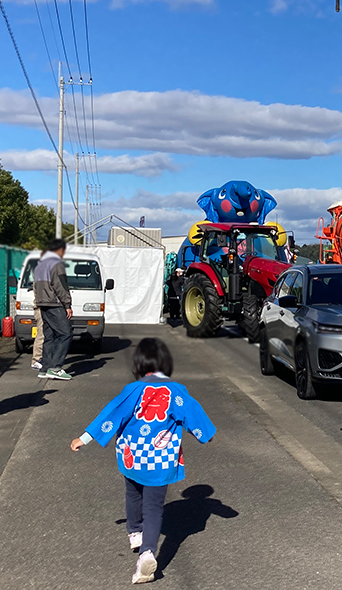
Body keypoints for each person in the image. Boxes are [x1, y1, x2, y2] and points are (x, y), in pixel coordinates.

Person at [70, 338, 216, 584]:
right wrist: (206, 435)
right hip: (161, 460)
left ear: (139, 364)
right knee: (154, 508)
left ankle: (134, 532)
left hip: (132, 456)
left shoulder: (133, 390)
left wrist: (85, 438)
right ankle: (148, 551)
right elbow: (193, 416)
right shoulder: (177, 391)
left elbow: (111, 414)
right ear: (165, 364)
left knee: (133, 493)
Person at [35, 238, 74, 381]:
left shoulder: (40, 265)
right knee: (66, 334)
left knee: (49, 336)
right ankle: (56, 367)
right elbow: (60, 285)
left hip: (43, 303)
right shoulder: (56, 264)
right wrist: (67, 304)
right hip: (54, 303)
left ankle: (45, 367)